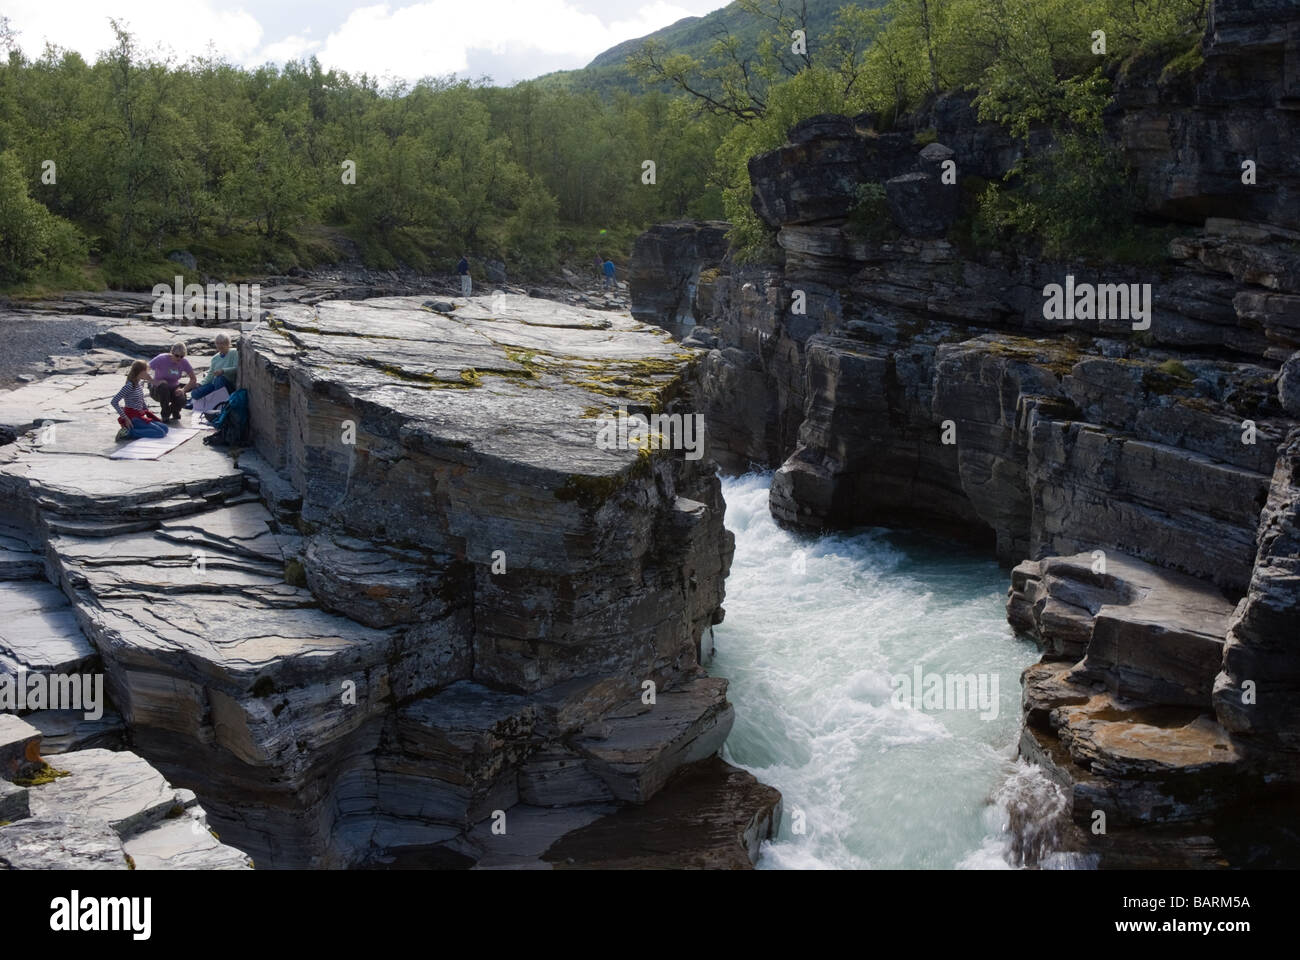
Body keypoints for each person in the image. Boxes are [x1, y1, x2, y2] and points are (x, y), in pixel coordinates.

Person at [111, 361, 168, 440]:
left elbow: (141, 399)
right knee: (160, 433)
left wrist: (146, 410)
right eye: (146, 372)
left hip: (139, 415)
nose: (148, 374)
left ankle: (135, 429)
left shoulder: (139, 383)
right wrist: (125, 418)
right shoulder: (129, 386)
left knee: (165, 428)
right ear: (140, 372)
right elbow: (114, 402)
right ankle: (129, 433)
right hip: (132, 417)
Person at [148, 342, 197, 422]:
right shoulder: (161, 358)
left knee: (182, 399)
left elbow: (193, 379)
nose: (179, 358)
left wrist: (183, 390)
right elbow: (144, 370)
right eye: (177, 355)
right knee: (164, 387)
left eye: (182, 356)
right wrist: (154, 382)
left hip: (174, 388)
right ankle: (165, 415)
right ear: (171, 352)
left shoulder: (184, 362)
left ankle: (173, 410)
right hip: (158, 390)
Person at [188, 333, 238, 406]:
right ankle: (214, 399)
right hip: (215, 385)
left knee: (219, 379)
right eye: (217, 343)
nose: (219, 346)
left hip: (228, 384)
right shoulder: (215, 358)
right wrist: (201, 384)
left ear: (228, 343)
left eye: (222, 343)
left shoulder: (234, 353)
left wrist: (223, 371)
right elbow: (210, 375)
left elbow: (236, 368)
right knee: (194, 393)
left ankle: (219, 403)